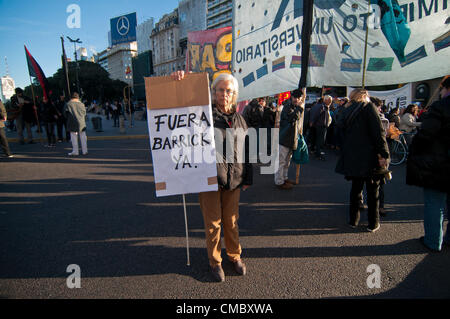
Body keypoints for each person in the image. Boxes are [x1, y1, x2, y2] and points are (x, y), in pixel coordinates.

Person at [172, 71, 252, 282]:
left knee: (232, 221)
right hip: (208, 178)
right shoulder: (201, 115)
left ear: (234, 94)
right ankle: (215, 261)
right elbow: (180, 110)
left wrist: (247, 179)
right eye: (220, 90)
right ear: (213, 92)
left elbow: (246, 150)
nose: (224, 94)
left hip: (233, 180)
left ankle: (234, 256)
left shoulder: (240, 119)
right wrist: (181, 81)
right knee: (213, 222)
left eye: (228, 91)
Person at [335, 88, 390, 232]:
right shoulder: (368, 107)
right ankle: (373, 223)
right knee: (373, 191)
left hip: (352, 156)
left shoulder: (345, 109)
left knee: (356, 189)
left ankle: (353, 220)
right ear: (365, 96)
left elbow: (339, 133)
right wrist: (384, 154)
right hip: (369, 156)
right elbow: (378, 133)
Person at [406, 75, 450, 252]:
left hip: (440, 161)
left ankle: (433, 240)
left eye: (442, 89)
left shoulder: (441, 107)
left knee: (435, 202)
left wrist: (416, 152)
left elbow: (426, 134)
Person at [274, 88, 306, 189]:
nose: (296, 99)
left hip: (292, 139)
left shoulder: (296, 107)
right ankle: (279, 181)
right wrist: (300, 109)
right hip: (285, 138)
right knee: (281, 161)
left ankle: (284, 178)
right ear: (291, 97)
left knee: (287, 162)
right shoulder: (287, 107)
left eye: (299, 98)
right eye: (295, 97)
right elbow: (292, 118)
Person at [309, 95, 332, 160]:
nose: (330, 101)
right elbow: (316, 114)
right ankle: (318, 154)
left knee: (317, 139)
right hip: (321, 125)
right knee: (320, 140)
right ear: (325, 100)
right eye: (329, 100)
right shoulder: (322, 106)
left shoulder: (321, 106)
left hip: (319, 125)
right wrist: (312, 122)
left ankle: (315, 151)